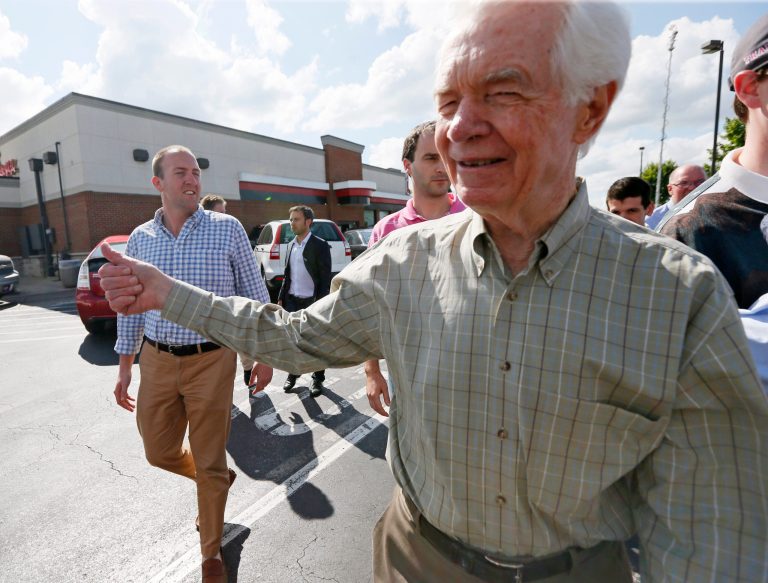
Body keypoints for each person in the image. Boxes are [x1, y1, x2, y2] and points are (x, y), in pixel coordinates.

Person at [100, 3, 768, 582]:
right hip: (415, 559)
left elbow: (712, 532)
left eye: (502, 92)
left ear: (590, 108)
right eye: (448, 103)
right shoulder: (402, 261)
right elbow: (294, 336)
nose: (458, 129)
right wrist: (165, 293)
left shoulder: (678, 296)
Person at [113, 145, 272, 583]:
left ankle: (211, 555)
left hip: (212, 360)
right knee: (157, 450)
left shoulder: (227, 229)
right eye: (181, 172)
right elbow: (130, 307)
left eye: (196, 173)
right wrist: (126, 364)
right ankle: (216, 479)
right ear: (158, 183)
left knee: (209, 457)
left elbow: (254, 293)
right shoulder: (140, 238)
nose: (192, 180)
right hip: (157, 360)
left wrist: (261, 354)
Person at [364, 120, 465, 416]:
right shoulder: (387, 231)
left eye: (447, 157)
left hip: (471, 367)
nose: (442, 167)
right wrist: (371, 370)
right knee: (411, 454)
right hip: (407, 371)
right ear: (407, 166)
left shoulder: (476, 220)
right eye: (431, 157)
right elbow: (371, 304)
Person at [278, 205, 332, 398]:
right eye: (291, 219)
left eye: (296, 219)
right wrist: (281, 298)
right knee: (293, 341)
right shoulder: (291, 245)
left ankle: (318, 378)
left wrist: (321, 303)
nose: (292, 223)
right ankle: (293, 373)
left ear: (308, 222)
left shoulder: (320, 245)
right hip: (292, 301)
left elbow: (325, 279)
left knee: (315, 342)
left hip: (312, 302)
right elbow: (287, 275)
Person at [644, 164, 706, 229]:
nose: (692, 188)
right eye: (684, 183)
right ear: (670, 189)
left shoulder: (716, 215)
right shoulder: (650, 222)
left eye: (700, 182)